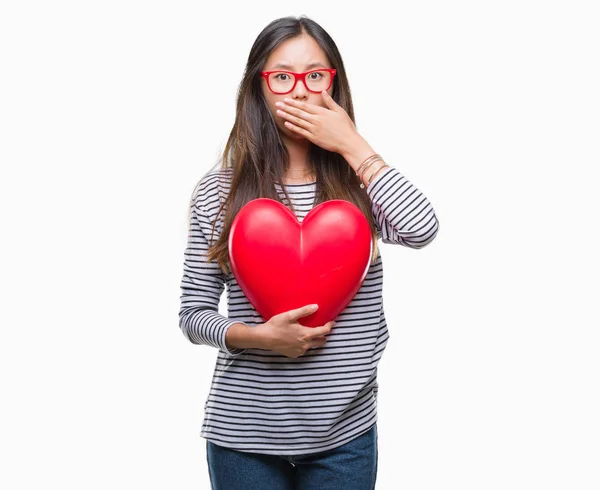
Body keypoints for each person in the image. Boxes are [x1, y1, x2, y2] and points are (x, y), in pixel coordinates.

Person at [178, 15, 439, 490]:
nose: (299, 91)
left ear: (333, 86)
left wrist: (355, 148)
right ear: (258, 88)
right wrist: (261, 338)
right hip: (245, 437)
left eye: (315, 76)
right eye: (282, 77)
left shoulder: (361, 189)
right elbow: (192, 315)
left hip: (346, 436)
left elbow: (422, 229)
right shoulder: (218, 192)